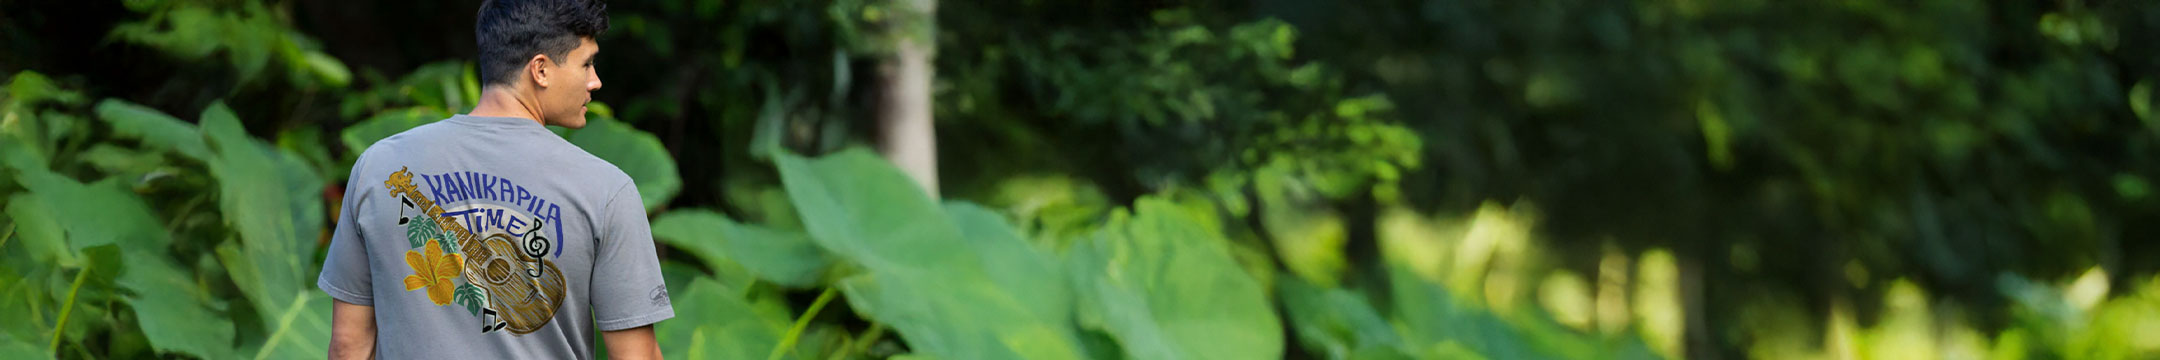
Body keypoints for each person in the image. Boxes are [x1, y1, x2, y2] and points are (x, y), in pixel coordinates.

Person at [317, 0, 671, 358]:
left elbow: (349, 345)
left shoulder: (378, 167)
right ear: (541, 70)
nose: (595, 81)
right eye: (587, 63)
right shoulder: (608, 189)